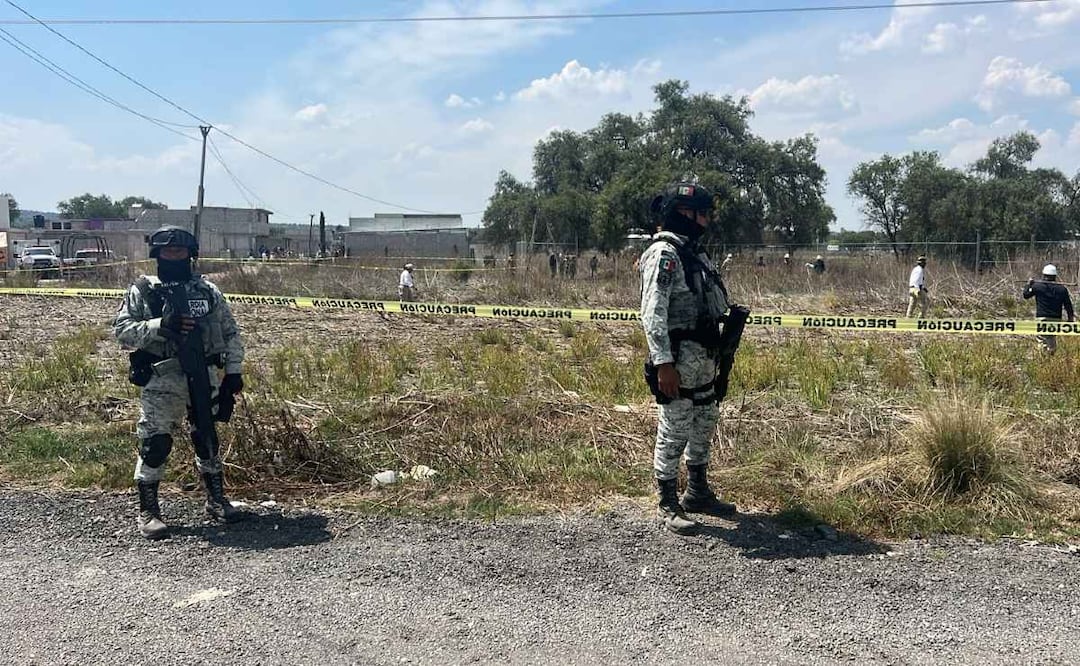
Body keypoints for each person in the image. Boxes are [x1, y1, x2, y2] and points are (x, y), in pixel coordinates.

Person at [114, 226, 245, 539]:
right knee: (156, 443)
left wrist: (234, 371)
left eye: (180, 250)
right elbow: (123, 331)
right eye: (167, 251)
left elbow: (230, 332)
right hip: (163, 379)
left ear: (191, 253)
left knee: (207, 437)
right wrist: (161, 325)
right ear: (157, 254)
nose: (174, 255)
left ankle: (215, 501)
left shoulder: (208, 291)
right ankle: (148, 511)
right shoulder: (144, 291)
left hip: (204, 374)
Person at [639, 182, 738, 536]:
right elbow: (652, 313)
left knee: (704, 423)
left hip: (705, 360)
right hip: (678, 362)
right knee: (674, 428)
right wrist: (663, 363)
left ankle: (697, 491)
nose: (706, 220)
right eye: (701, 213)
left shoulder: (692, 252)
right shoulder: (664, 254)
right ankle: (667, 501)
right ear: (681, 213)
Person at [1023, 264, 1074, 354]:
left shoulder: (1038, 286)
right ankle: (1051, 355)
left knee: (1042, 338)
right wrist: (1070, 318)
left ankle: (1043, 358)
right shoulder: (1062, 289)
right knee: (1051, 337)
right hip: (1056, 318)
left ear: (1044, 275)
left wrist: (1028, 284)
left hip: (1042, 318)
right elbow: (1068, 305)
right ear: (1055, 276)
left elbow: (1026, 295)